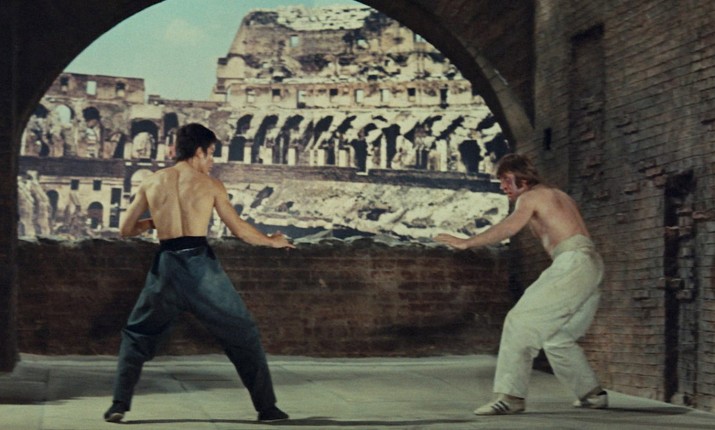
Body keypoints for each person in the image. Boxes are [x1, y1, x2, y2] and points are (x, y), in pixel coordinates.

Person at [104, 123, 293, 423]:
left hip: (166, 267)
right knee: (243, 333)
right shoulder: (210, 185)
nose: (212, 161)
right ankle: (267, 408)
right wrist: (273, 241)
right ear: (199, 151)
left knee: (138, 334)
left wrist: (155, 221)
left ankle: (118, 405)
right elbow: (240, 230)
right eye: (211, 154)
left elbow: (125, 229)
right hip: (200, 269)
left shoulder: (152, 182)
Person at [434, 153, 607, 415]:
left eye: (506, 179)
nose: (503, 186)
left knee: (519, 322)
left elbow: (509, 227)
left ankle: (511, 397)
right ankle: (592, 394)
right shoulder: (560, 195)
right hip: (591, 264)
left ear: (523, 179)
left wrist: (468, 242)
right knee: (558, 338)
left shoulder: (530, 196)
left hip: (573, 263)